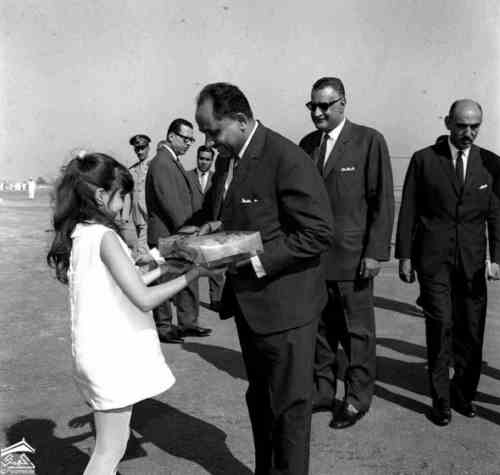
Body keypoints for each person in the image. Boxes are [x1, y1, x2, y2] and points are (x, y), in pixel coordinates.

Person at [193, 82, 334, 475]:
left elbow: (319, 232)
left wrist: (256, 262)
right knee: (261, 401)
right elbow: (244, 215)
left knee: (289, 410)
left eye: (213, 131)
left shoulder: (286, 157)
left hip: (287, 309)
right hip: (250, 307)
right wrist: (213, 228)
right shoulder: (229, 159)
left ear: (241, 120)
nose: (208, 142)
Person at [46, 153, 218, 474]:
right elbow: (143, 299)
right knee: (109, 451)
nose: (126, 203)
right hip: (110, 359)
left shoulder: (82, 233)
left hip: (94, 354)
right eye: (122, 195)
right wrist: (194, 274)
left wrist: (167, 266)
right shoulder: (105, 237)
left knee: (110, 446)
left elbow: (128, 283)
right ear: (101, 196)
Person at [395, 99, 500, 426]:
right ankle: (440, 399)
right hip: (433, 260)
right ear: (448, 123)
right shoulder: (424, 160)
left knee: (472, 330)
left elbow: (496, 215)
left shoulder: (491, 163)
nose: (468, 132)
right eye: (462, 126)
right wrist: (405, 256)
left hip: (472, 263)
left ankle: (463, 393)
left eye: (474, 126)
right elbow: (408, 209)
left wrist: (496, 258)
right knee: (440, 326)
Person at [299, 77, 395, 428]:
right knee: (320, 332)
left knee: (358, 334)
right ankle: (323, 391)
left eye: (324, 105)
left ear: (343, 103)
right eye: (312, 106)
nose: (318, 112)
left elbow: (382, 201)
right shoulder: (307, 144)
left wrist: (375, 253)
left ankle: (357, 398)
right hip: (315, 259)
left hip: (353, 258)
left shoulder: (369, 141)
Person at [145, 119, 211, 343]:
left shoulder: (171, 160)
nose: (189, 143)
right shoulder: (162, 163)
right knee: (163, 280)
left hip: (176, 233)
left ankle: (187, 323)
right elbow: (171, 203)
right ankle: (164, 327)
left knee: (184, 278)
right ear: (171, 137)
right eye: (186, 138)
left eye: (192, 139)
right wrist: (190, 230)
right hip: (167, 234)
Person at [187, 145, 224, 309]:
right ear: (197, 158)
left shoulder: (218, 179)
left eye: (207, 159)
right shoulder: (187, 176)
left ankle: (216, 300)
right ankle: (189, 300)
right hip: (192, 226)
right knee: (190, 265)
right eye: (201, 158)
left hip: (211, 228)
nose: (204, 162)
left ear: (212, 161)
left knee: (215, 265)